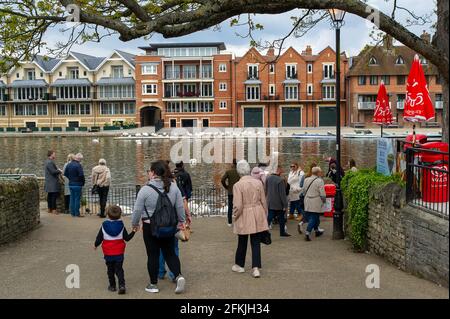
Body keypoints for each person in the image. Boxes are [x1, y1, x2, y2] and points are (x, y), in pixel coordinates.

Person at [131, 160, 186, 294]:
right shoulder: (173, 187)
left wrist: (135, 224)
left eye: (149, 171)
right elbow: (179, 207)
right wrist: (181, 222)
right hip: (169, 226)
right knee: (170, 253)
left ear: (154, 173)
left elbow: (137, 210)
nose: (148, 173)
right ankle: (178, 276)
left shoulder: (145, 190)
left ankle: (153, 284)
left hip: (151, 228)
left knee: (153, 255)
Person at [232, 160, 269, 278]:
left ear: (238, 171)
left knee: (242, 241)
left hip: (245, 213)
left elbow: (238, 205)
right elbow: (264, 200)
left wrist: (234, 216)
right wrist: (265, 215)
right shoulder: (258, 183)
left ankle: (240, 265)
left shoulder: (238, 185)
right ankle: (256, 268)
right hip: (257, 211)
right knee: (255, 241)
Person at [159, 161, 192, 282]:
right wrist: (186, 217)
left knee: (162, 247)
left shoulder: (154, 185)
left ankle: (160, 271)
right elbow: (182, 202)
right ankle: (174, 273)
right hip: (174, 221)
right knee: (174, 248)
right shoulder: (174, 184)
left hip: (160, 222)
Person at [94, 205, 135, 295]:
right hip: (119, 253)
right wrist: (133, 231)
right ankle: (121, 285)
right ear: (120, 215)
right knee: (119, 269)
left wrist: (95, 244)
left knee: (110, 269)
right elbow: (127, 238)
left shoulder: (104, 225)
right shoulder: (121, 225)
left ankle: (112, 286)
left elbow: (99, 238)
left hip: (108, 252)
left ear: (108, 215)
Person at [301, 167, 326, 241]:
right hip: (316, 200)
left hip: (307, 200)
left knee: (313, 216)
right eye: (320, 172)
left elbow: (304, 191)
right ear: (318, 173)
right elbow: (322, 194)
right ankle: (307, 233)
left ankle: (317, 231)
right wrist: (324, 201)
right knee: (314, 217)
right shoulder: (319, 181)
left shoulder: (306, 179)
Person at [265, 166, 291, 237]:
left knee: (269, 217)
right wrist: (285, 205)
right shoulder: (280, 180)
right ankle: (282, 232)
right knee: (282, 218)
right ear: (278, 170)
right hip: (278, 203)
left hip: (270, 201)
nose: (282, 170)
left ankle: (264, 232)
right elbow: (282, 194)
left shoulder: (268, 178)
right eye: (281, 169)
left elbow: (266, 189)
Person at [64, 153, 85, 217]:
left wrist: (70, 178)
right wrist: (83, 182)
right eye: (81, 159)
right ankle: (77, 213)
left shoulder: (68, 165)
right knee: (77, 199)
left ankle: (72, 213)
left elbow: (65, 173)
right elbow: (81, 175)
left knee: (72, 199)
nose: (81, 161)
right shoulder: (78, 165)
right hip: (77, 184)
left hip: (71, 184)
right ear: (79, 159)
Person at [221, 159, 241, 226]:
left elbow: (222, 180)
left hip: (230, 192)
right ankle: (238, 220)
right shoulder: (239, 172)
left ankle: (229, 222)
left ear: (232, 164)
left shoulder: (228, 172)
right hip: (238, 192)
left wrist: (227, 187)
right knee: (238, 206)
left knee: (230, 207)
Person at [44, 150, 62, 214]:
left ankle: (49, 209)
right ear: (51, 155)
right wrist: (59, 170)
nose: (55, 155)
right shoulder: (50, 162)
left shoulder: (47, 161)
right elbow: (53, 172)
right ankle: (54, 210)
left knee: (50, 196)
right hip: (52, 182)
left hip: (49, 181)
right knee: (53, 196)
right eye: (54, 154)